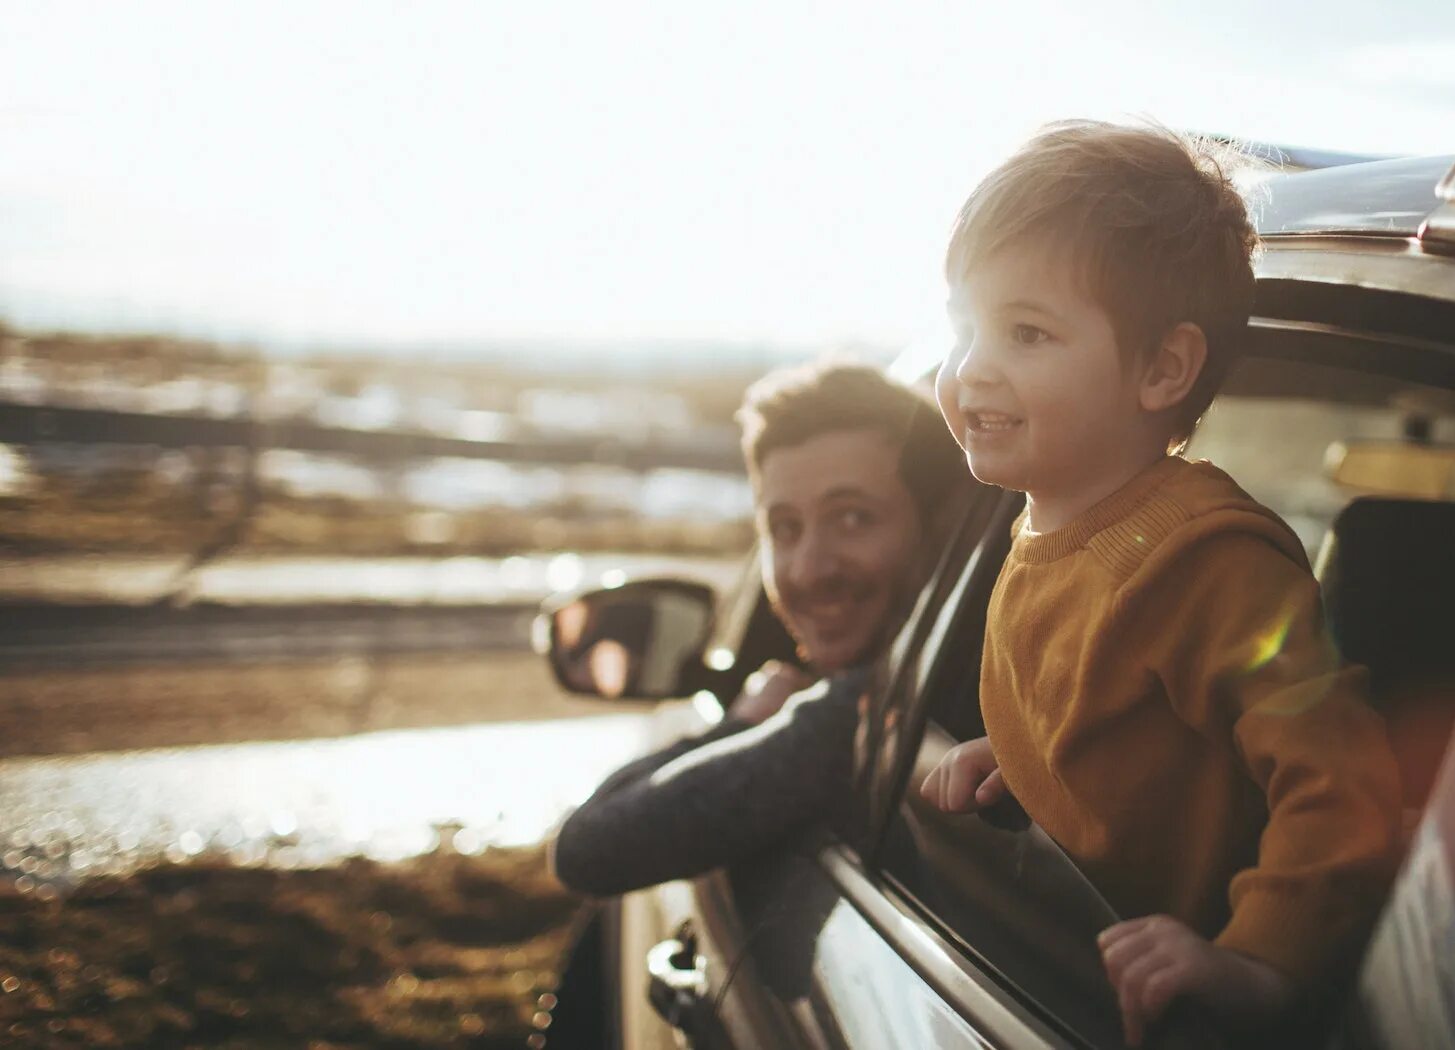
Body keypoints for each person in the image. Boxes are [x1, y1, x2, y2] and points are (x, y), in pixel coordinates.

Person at [917, 121, 1402, 1045]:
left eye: (1025, 332)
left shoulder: (1200, 560)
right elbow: (1130, 724)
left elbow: (1343, 779)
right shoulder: (1044, 522)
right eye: (964, 325)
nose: (973, 365)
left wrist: (1259, 961)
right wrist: (1028, 757)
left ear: (1162, 369)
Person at [549, 361, 970, 896]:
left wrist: (746, 722)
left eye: (853, 518)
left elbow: (587, 848)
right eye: (784, 528)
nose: (807, 569)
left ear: (938, 529)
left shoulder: (861, 714)